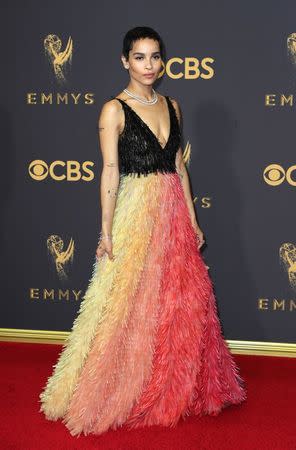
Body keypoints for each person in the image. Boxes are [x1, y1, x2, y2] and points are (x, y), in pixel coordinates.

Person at [39, 26, 247, 437]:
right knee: (127, 301)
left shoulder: (173, 105)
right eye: (139, 57)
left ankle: (175, 383)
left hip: (173, 214)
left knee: (181, 301)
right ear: (125, 61)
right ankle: (122, 385)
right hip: (136, 214)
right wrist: (105, 231)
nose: (148, 65)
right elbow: (110, 172)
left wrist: (192, 218)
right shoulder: (113, 110)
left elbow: (180, 167)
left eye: (155, 56)